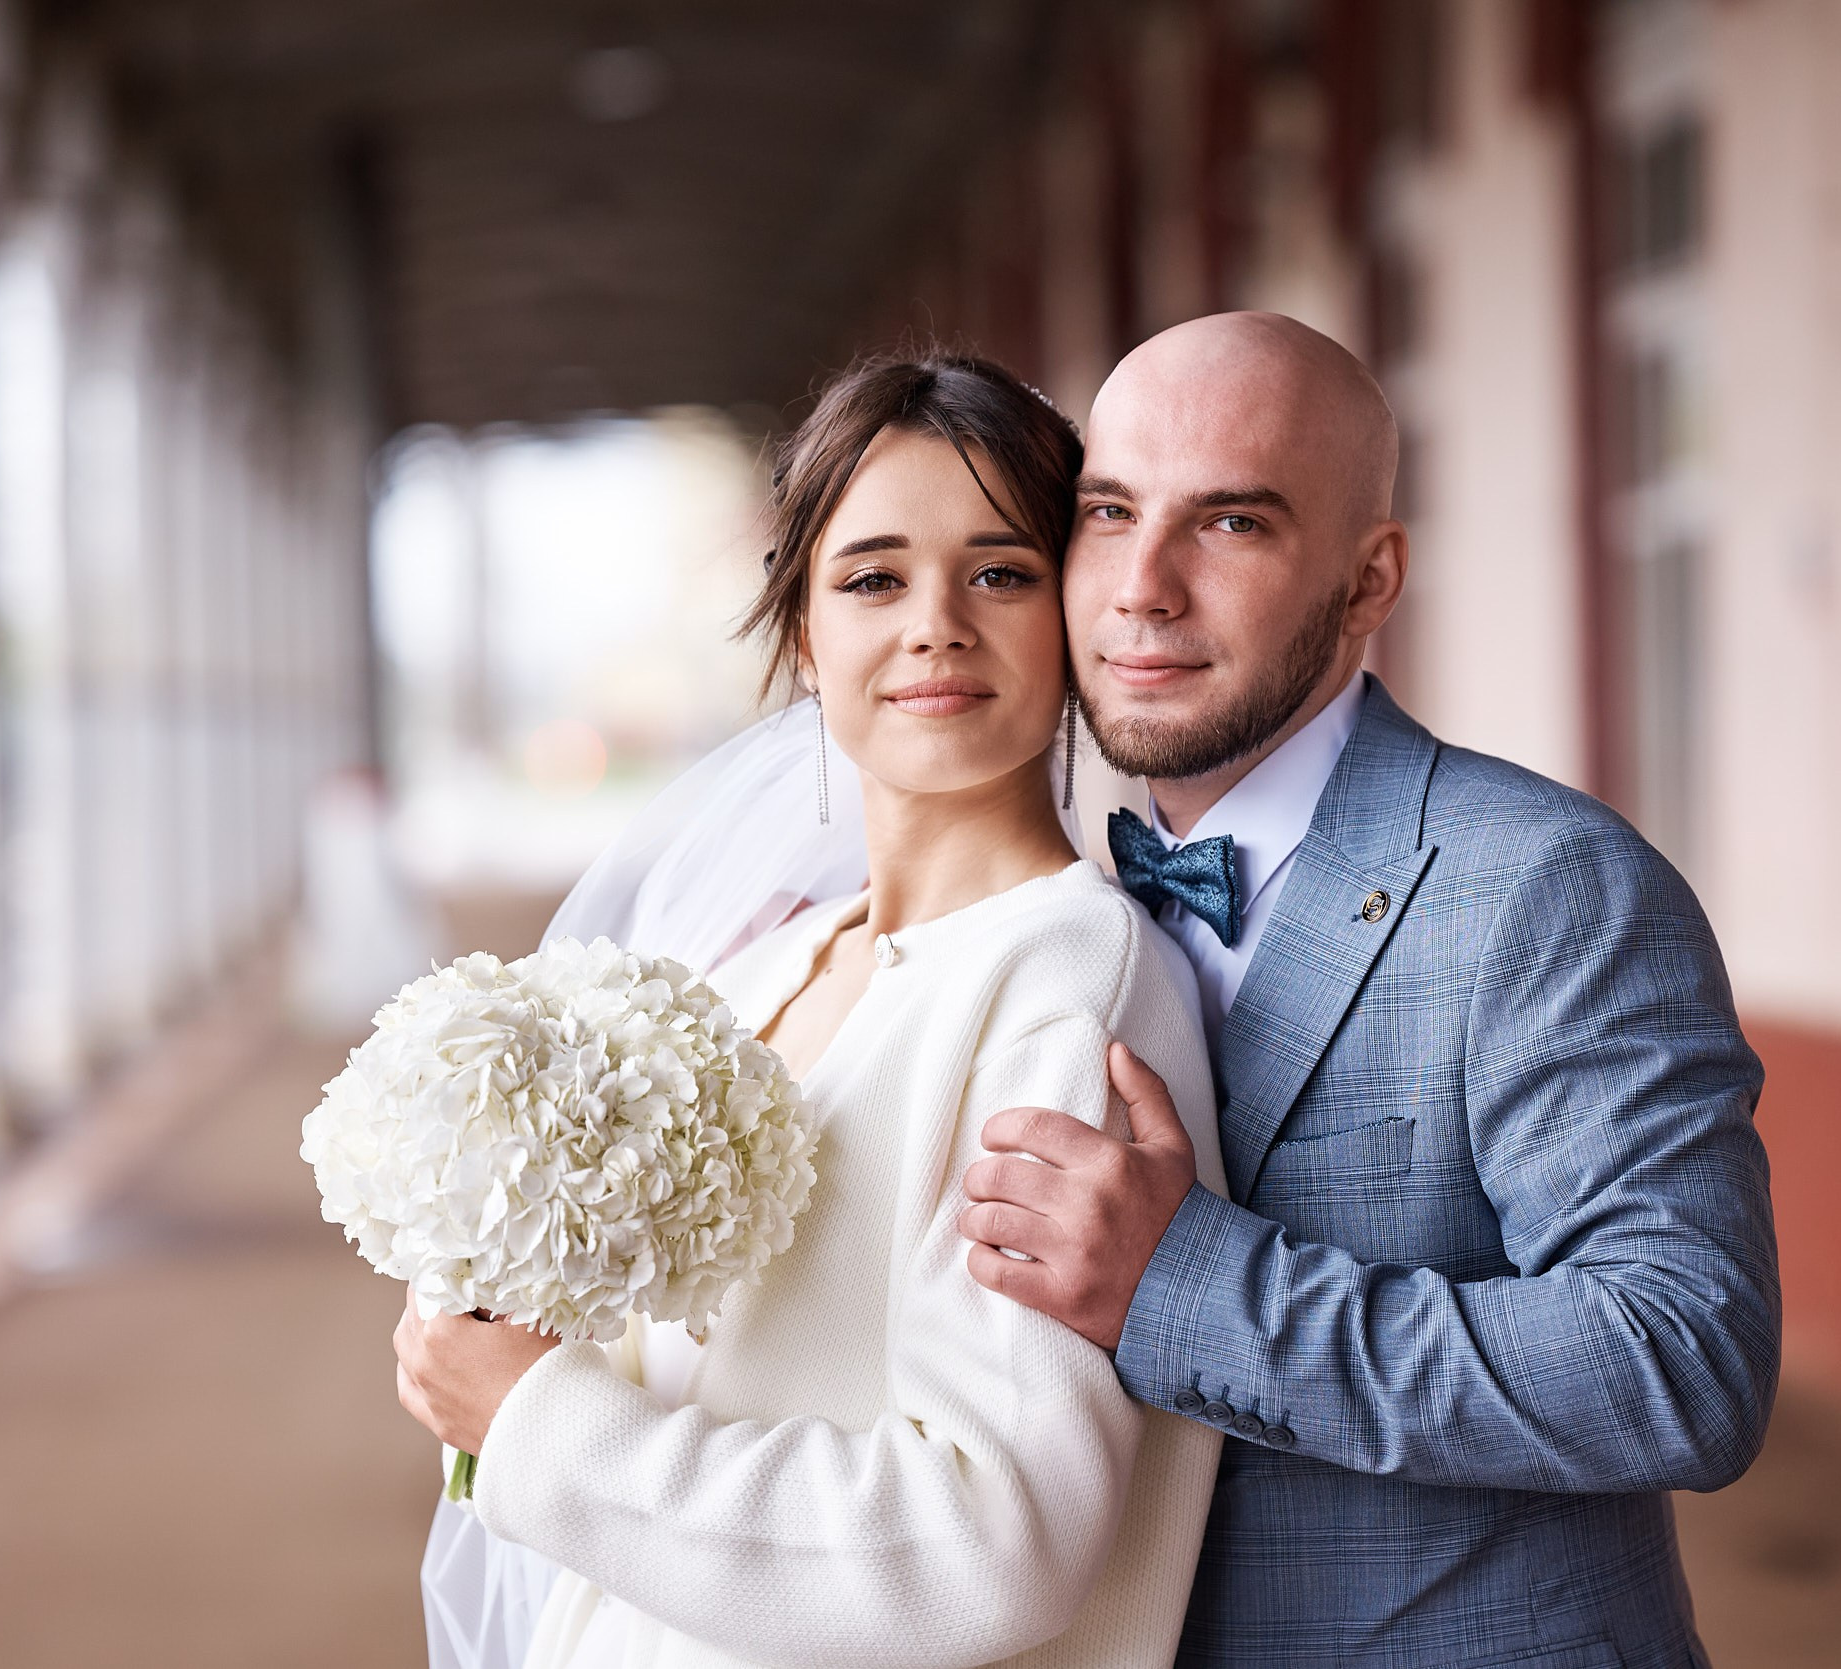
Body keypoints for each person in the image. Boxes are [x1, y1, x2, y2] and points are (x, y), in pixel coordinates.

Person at [956, 312, 1780, 1667]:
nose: (1143, 587)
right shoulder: (1050, 914)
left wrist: (1184, 1281)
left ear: (1369, 576)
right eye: (1110, 511)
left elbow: (1682, 1356)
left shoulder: (1549, 887)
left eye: (1231, 525)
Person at [393, 352, 1230, 1668]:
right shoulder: (759, 973)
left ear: (1072, 616)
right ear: (803, 633)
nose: (937, 623)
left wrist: (543, 1427)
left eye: (1001, 571)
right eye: (873, 577)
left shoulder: (1066, 984)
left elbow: (993, 1540)